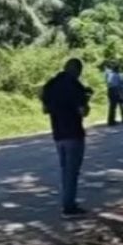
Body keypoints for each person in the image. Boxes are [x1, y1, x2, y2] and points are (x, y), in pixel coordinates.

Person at [41, 58, 91, 217]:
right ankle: (69, 207)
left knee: (65, 171)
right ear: (77, 71)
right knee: (72, 172)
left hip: (58, 134)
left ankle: (68, 201)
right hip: (74, 133)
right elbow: (83, 112)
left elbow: (45, 109)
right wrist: (87, 100)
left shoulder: (51, 85)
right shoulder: (76, 86)